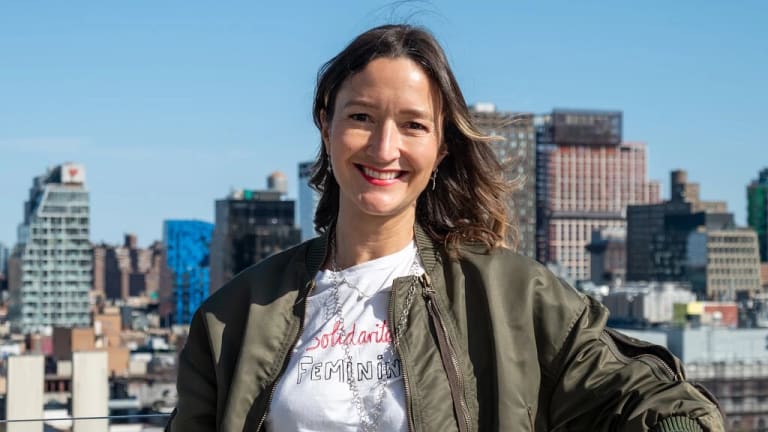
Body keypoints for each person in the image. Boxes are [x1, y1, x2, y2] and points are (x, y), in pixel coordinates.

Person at [167, 24, 725, 432]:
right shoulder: (234, 316)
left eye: (413, 125)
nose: (385, 148)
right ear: (326, 124)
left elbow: (649, 399)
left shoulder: (512, 297)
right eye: (361, 117)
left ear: (440, 147)